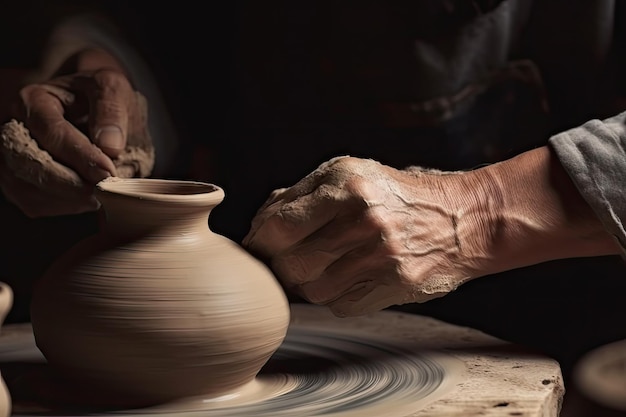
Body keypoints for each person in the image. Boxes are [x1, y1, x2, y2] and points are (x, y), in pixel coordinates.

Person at [1, 0, 625, 377]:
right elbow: (160, 25)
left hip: (573, 322)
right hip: (280, 318)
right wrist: (106, 74)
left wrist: (482, 210)